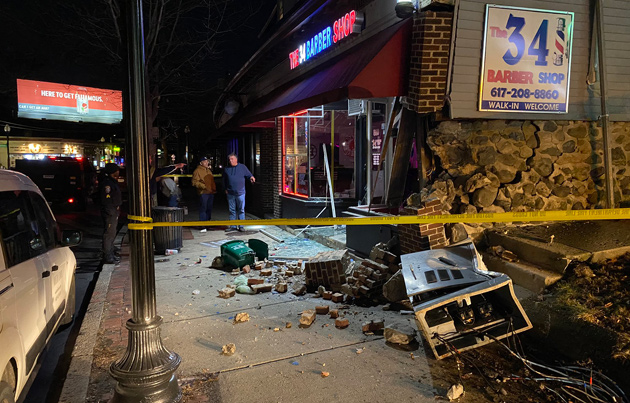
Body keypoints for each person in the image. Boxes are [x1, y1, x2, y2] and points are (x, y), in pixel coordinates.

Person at [223, 153, 254, 232]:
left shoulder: (242, 167)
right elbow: (224, 180)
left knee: (241, 210)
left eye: (232, 159)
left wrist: (251, 177)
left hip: (240, 192)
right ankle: (233, 226)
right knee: (232, 210)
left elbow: (248, 174)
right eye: (229, 159)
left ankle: (241, 226)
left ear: (236, 159)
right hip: (230, 193)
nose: (230, 161)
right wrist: (225, 189)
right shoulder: (227, 169)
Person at [99, 163, 122, 264]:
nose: (119, 172)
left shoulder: (112, 182)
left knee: (112, 232)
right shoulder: (107, 184)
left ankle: (110, 252)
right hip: (110, 211)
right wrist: (111, 211)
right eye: (117, 170)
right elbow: (107, 200)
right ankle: (108, 255)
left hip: (113, 210)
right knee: (109, 233)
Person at [192, 157, 217, 224]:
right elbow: (194, 182)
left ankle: (208, 223)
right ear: (201, 163)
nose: (207, 162)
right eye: (204, 161)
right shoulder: (197, 171)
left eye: (207, 161)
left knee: (209, 208)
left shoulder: (208, 170)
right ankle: (203, 224)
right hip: (203, 193)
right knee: (203, 208)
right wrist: (204, 187)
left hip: (210, 192)